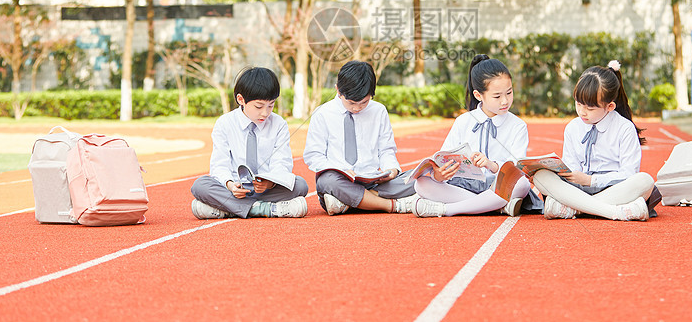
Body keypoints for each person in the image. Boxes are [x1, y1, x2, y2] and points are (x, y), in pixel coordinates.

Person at [530, 60, 659, 221]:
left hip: (613, 189)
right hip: (577, 189)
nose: (582, 112)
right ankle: (615, 211)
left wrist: (591, 180)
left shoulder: (624, 128)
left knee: (645, 180)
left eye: (590, 108)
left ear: (610, 106)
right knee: (540, 176)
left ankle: (574, 210)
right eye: (578, 104)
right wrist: (565, 173)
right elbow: (572, 165)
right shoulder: (573, 127)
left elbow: (628, 172)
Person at [411, 54, 538, 218]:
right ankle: (494, 206)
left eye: (509, 92)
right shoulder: (463, 122)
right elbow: (443, 157)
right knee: (421, 184)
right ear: (479, 95)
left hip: (498, 186)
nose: (505, 101)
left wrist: (491, 165)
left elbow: (517, 168)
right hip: (465, 186)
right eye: (497, 96)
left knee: (521, 183)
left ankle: (447, 210)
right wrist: (439, 174)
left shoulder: (517, 126)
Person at [190, 67, 309, 219]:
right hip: (235, 189)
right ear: (241, 100)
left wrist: (270, 183)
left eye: (271, 105)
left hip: (266, 189)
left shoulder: (279, 124)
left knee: (300, 185)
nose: (265, 113)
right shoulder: (225, 123)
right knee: (200, 185)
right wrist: (230, 185)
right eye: (259, 106)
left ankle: (228, 209)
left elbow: (282, 162)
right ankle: (265, 209)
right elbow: (219, 165)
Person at [303, 60, 417, 215]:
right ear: (338, 90)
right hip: (340, 182)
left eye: (364, 102)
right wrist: (341, 170)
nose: (356, 108)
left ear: (371, 94)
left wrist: (391, 171)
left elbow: (386, 150)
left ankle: (348, 203)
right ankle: (391, 205)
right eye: (350, 103)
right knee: (326, 180)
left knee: (419, 178)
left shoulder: (379, 111)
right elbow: (314, 155)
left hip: (374, 182)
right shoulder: (322, 114)